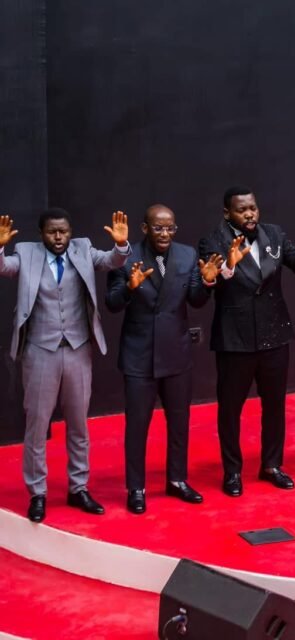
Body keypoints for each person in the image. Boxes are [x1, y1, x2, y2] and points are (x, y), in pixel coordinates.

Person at [0, 209, 132, 522]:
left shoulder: (83, 249)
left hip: (77, 349)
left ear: (71, 231)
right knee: (36, 426)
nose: (58, 237)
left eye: (63, 231)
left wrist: (121, 245)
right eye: (52, 232)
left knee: (78, 424)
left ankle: (78, 487)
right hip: (40, 352)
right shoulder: (27, 253)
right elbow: (4, 267)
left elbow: (112, 261)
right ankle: (38, 493)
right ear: (41, 233)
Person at [198, 187, 295, 497]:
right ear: (227, 213)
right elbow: (210, 281)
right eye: (242, 209)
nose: (250, 214)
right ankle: (232, 471)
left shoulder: (274, 233)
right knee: (230, 410)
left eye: (253, 208)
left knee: (275, 405)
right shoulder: (212, 241)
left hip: (274, 336)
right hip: (235, 339)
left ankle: (272, 465)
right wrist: (228, 268)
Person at [105, 205, 219, 514]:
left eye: (170, 228)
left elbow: (195, 299)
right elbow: (112, 303)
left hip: (176, 354)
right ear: (145, 228)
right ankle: (136, 488)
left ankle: (177, 480)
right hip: (139, 356)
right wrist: (129, 288)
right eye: (158, 228)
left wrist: (207, 283)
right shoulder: (126, 257)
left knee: (179, 423)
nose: (165, 233)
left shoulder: (186, 255)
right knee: (137, 426)